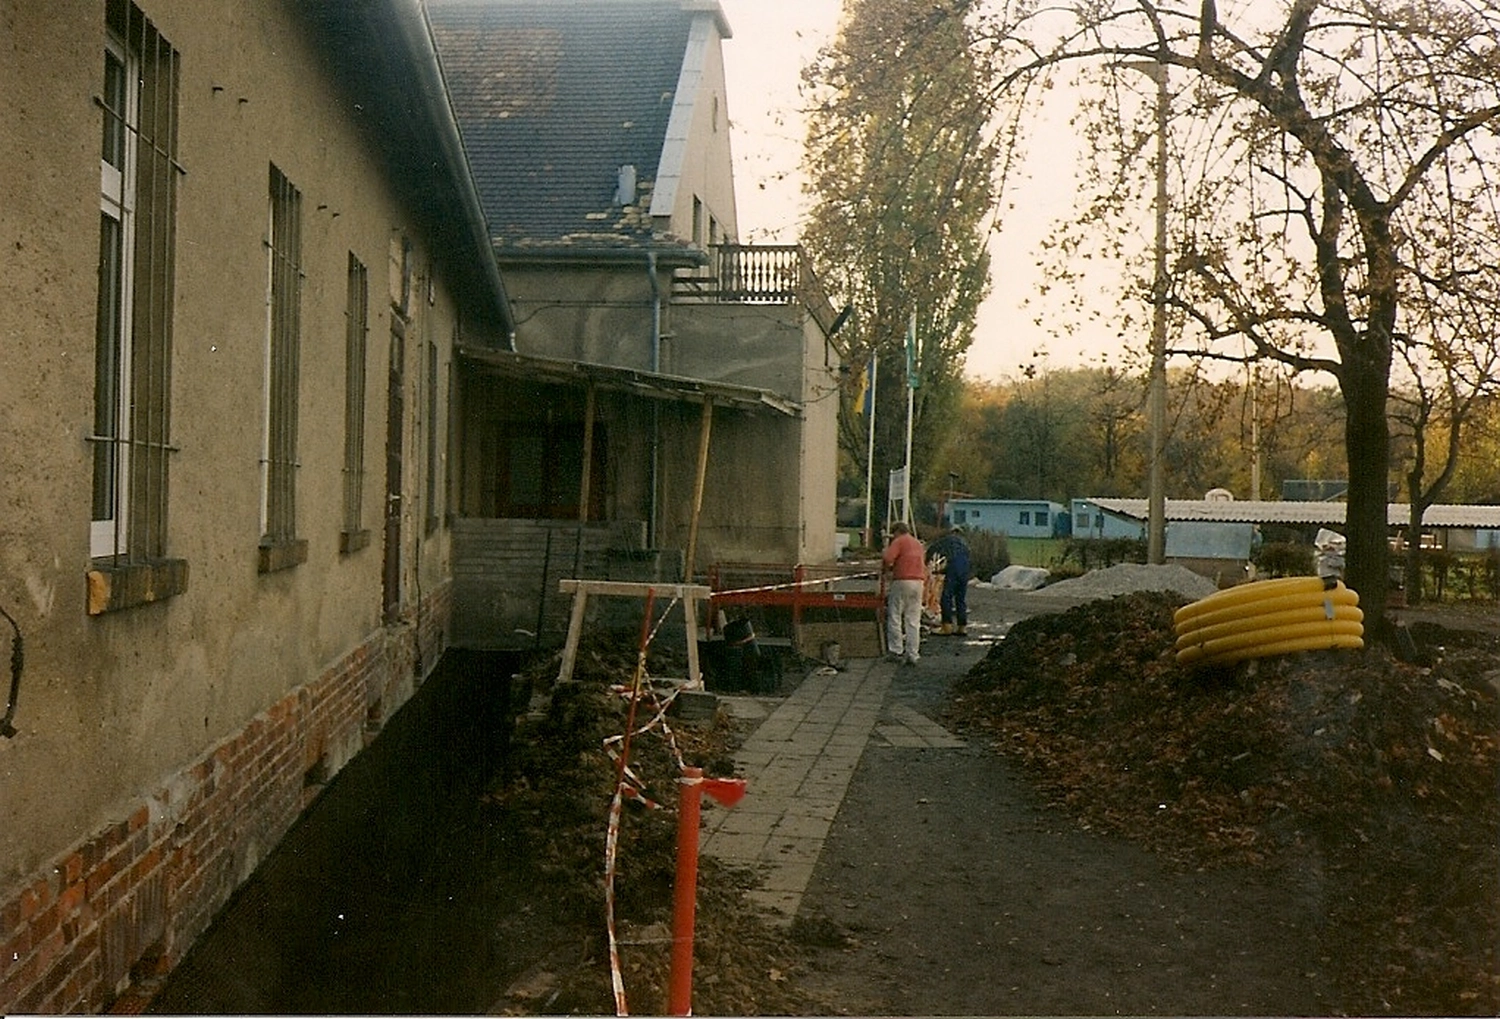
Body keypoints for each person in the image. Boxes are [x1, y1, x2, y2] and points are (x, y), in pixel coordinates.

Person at [881, 521, 926, 665]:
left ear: (896, 532)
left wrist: (887, 569)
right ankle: (913, 654)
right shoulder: (917, 543)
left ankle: (896, 650)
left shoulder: (899, 541)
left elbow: (888, 558)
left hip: (902, 581)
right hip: (918, 582)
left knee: (895, 615)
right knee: (913, 619)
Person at [926, 524, 972, 635]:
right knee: (960, 599)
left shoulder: (948, 540)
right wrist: (942, 571)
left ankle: (947, 626)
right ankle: (962, 627)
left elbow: (932, 549)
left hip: (954, 569)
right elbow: (963, 561)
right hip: (965, 571)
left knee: (946, 598)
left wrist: (926, 562)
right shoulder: (965, 544)